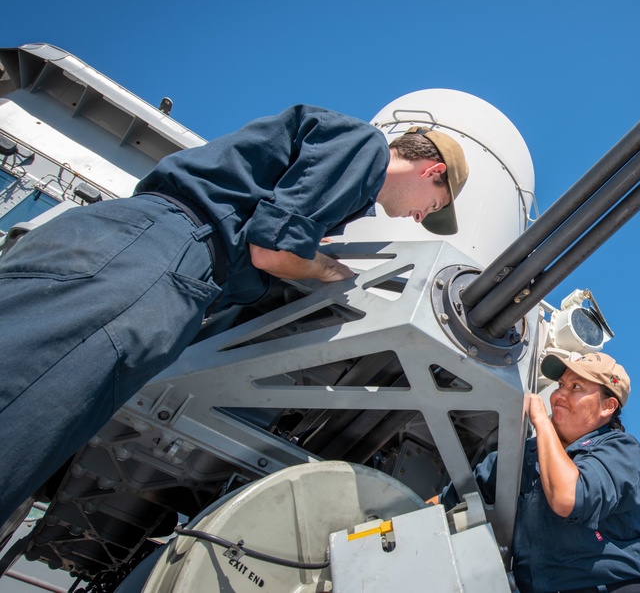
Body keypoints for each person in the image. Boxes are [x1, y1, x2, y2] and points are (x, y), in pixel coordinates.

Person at [0, 106, 469, 526]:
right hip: (160, 257)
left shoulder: (339, 182)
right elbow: (273, 250)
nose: (418, 218)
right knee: (34, 399)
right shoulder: (365, 148)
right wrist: (325, 268)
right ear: (433, 171)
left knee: (45, 413)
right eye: (434, 206)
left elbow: (272, 235)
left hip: (159, 265)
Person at [438, 352, 640, 593]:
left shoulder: (620, 449)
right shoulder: (525, 455)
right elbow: (447, 503)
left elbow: (568, 498)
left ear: (608, 406)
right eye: (561, 384)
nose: (560, 394)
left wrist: (541, 421)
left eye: (576, 386)